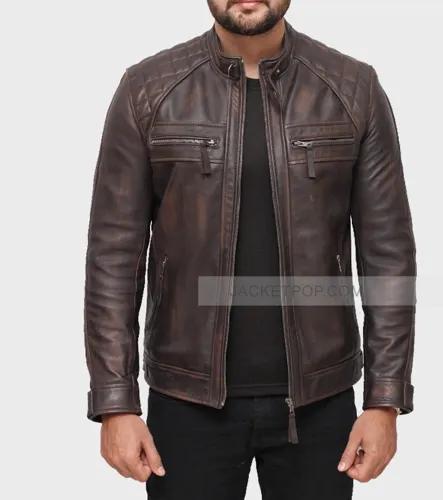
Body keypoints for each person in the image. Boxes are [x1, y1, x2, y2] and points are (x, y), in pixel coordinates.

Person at [83, 1, 416, 498]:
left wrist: (384, 399)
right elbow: (113, 256)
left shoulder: (352, 88)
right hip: (186, 402)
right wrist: (115, 402)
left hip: (320, 403)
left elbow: (388, 253)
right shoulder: (147, 89)